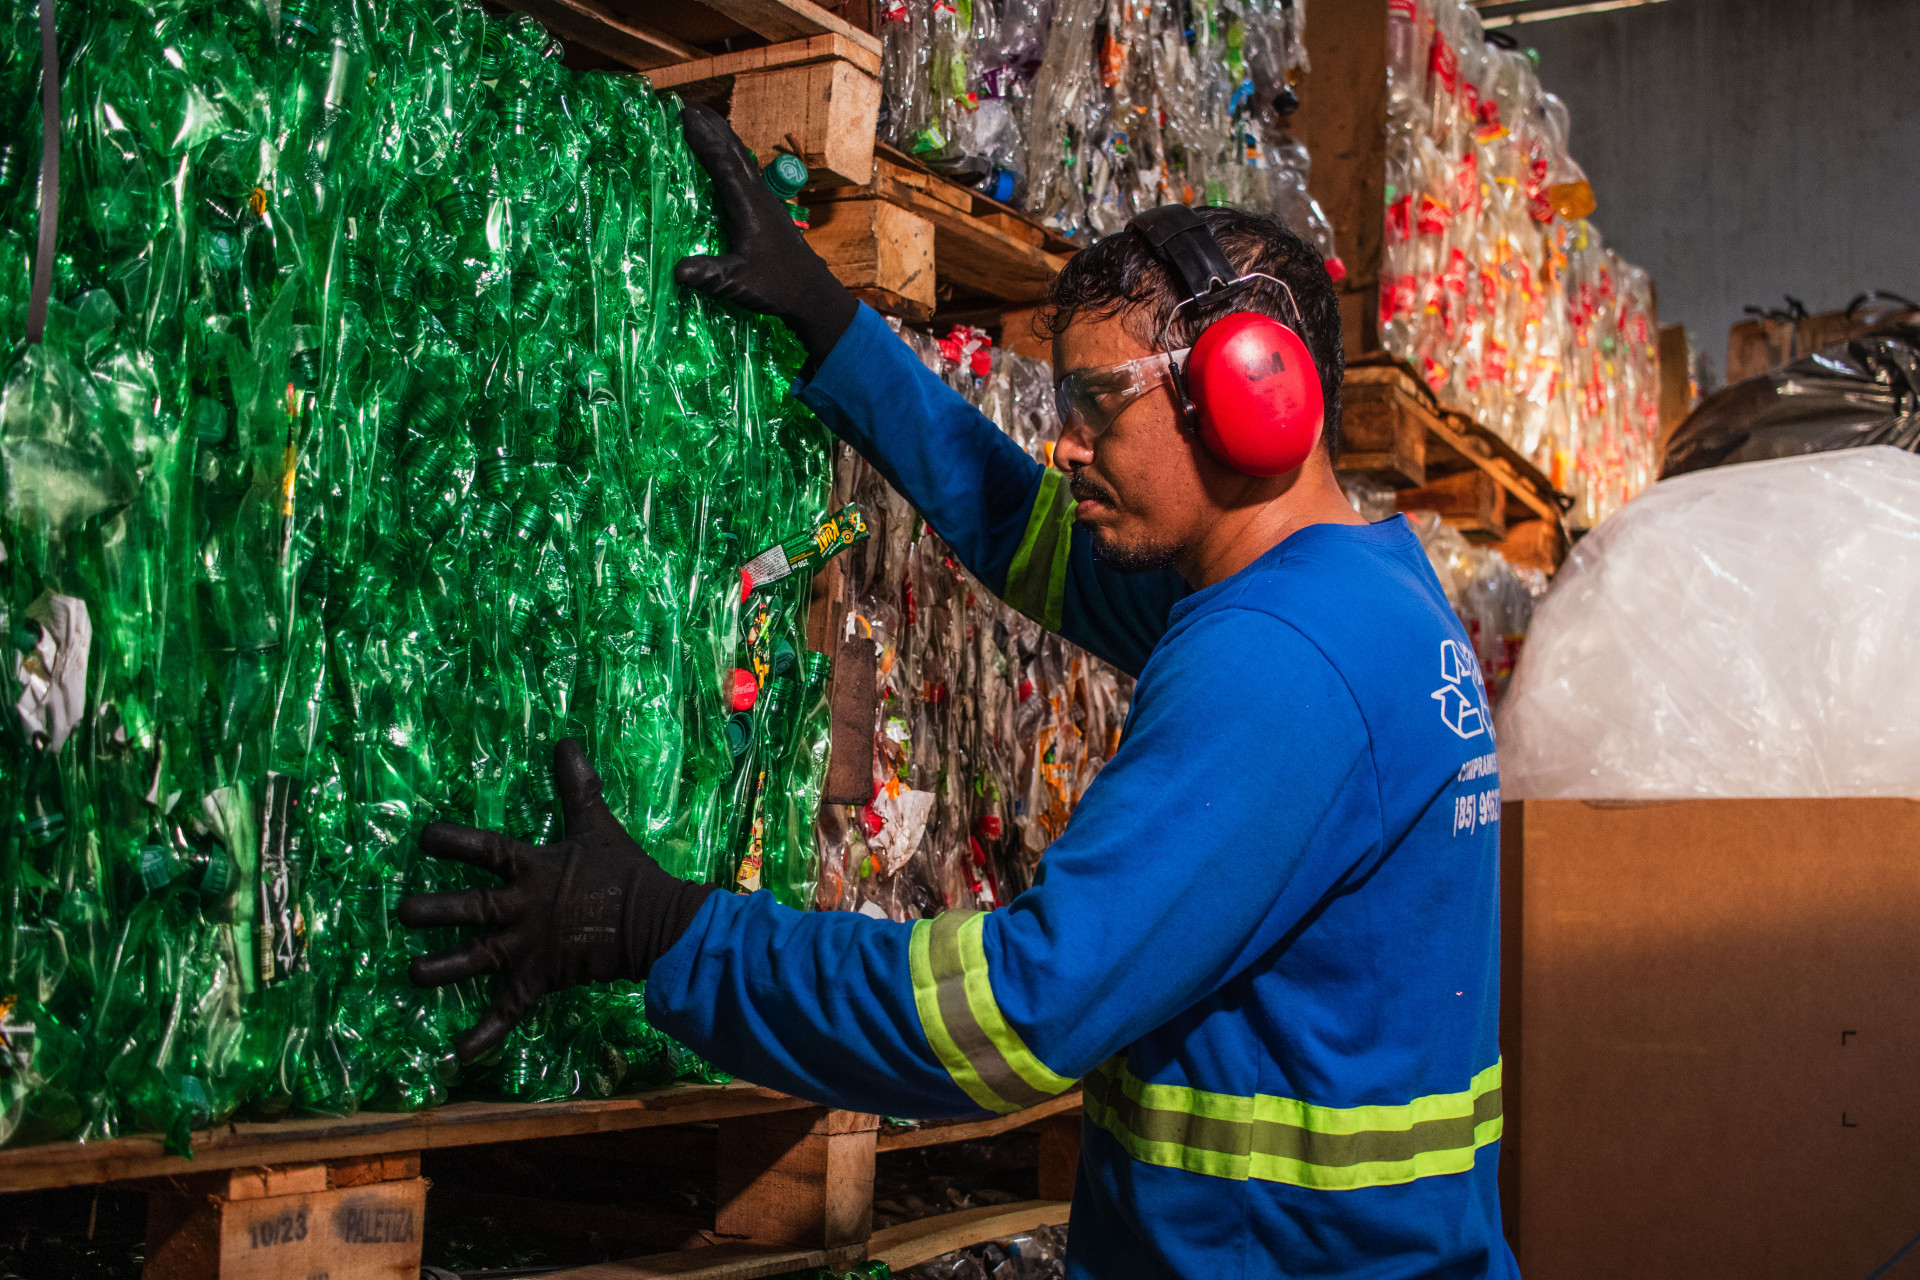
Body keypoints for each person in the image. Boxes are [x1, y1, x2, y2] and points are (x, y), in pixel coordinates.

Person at [399, 102, 1516, 1280]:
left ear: (1248, 393)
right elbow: (1033, 542)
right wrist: (836, 328)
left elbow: (1017, 1016)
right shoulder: (1353, 587)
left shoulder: (1282, 664)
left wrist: (666, 932)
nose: (1067, 445)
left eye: (1099, 405)